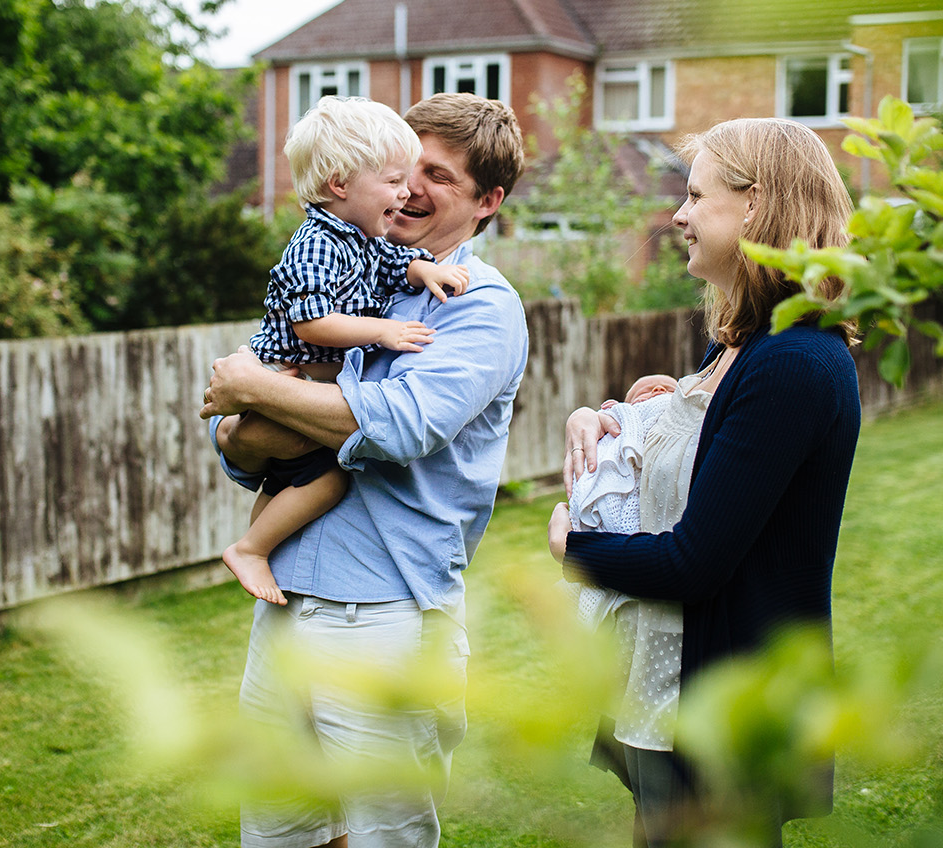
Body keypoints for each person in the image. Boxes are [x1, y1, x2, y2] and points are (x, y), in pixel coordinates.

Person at [200, 91, 528, 848]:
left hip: (385, 612)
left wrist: (256, 392)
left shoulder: (479, 305)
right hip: (286, 601)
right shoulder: (354, 264)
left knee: (386, 834)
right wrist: (243, 429)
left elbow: (403, 425)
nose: (410, 186)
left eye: (437, 176)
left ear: (489, 202)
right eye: (403, 165)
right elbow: (235, 435)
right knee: (281, 830)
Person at [547, 117, 862, 848]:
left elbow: (696, 562)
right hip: (667, 697)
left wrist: (574, 549)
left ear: (755, 207)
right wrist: (601, 417)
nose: (679, 217)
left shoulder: (792, 362)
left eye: (695, 196)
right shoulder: (741, 347)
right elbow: (687, 449)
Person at [224, 96, 471, 606]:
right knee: (328, 481)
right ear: (340, 184)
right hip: (290, 372)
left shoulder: (361, 238)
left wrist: (425, 270)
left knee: (291, 473)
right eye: (393, 180)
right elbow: (313, 323)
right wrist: (382, 329)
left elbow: (394, 262)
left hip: (301, 382)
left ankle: (254, 549)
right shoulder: (316, 242)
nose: (406, 193)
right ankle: (252, 548)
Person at [562, 373, 678, 628]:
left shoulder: (682, 424)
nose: (658, 390)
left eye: (669, 388)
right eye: (641, 392)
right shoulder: (616, 425)